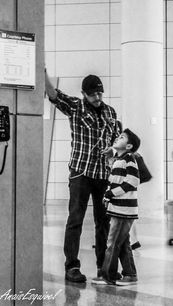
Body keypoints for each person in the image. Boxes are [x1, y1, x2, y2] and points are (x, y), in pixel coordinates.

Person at [45, 70, 121, 282]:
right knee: (75, 219)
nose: (97, 98)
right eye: (92, 94)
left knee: (103, 222)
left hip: (103, 174)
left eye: (99, 93)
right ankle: (72, 267)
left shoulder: (111, 113)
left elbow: (117, 141)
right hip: (80, 172)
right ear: (84, 94)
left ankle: (103, 267)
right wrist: (43, 73)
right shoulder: (76, 107)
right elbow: (53, 95)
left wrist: (113, 151)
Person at [91, 128, 140, 286]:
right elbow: (114, 179)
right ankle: (130, 274)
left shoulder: (129, 159)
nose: (117, 138)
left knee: (112, 243)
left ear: (128, 146)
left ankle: (108, 275)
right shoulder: (119, 160)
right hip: (118, 208)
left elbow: (132, 181)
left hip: (124, 210)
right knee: (123, 243)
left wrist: (111, 194)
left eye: (122, 137)